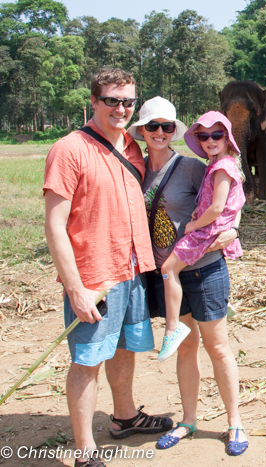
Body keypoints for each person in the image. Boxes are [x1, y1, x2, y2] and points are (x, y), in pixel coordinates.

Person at [44, 68, 173, 467]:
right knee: (88, 358)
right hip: (94, 276)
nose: (121, 108)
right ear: (94, 102)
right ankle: (84, 452)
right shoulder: (69, 149)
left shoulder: (133, 146)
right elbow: (54, 225)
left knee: (124, 346)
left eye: (128, 101)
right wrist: (75, 287)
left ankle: (124, 416)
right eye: (112, 100)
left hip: (132, 268)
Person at [127, 103, 248, 456]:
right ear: (142, 132)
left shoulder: (194, 168)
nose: (160, 133)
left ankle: (234, 422)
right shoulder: (134, 170)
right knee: (186, 347)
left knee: (217, 347)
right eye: (153, 127)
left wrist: (235, 228)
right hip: (168, 276)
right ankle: (188, 420)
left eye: (167, 126)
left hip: (206, 268)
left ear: (175, 131)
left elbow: (230, 200)